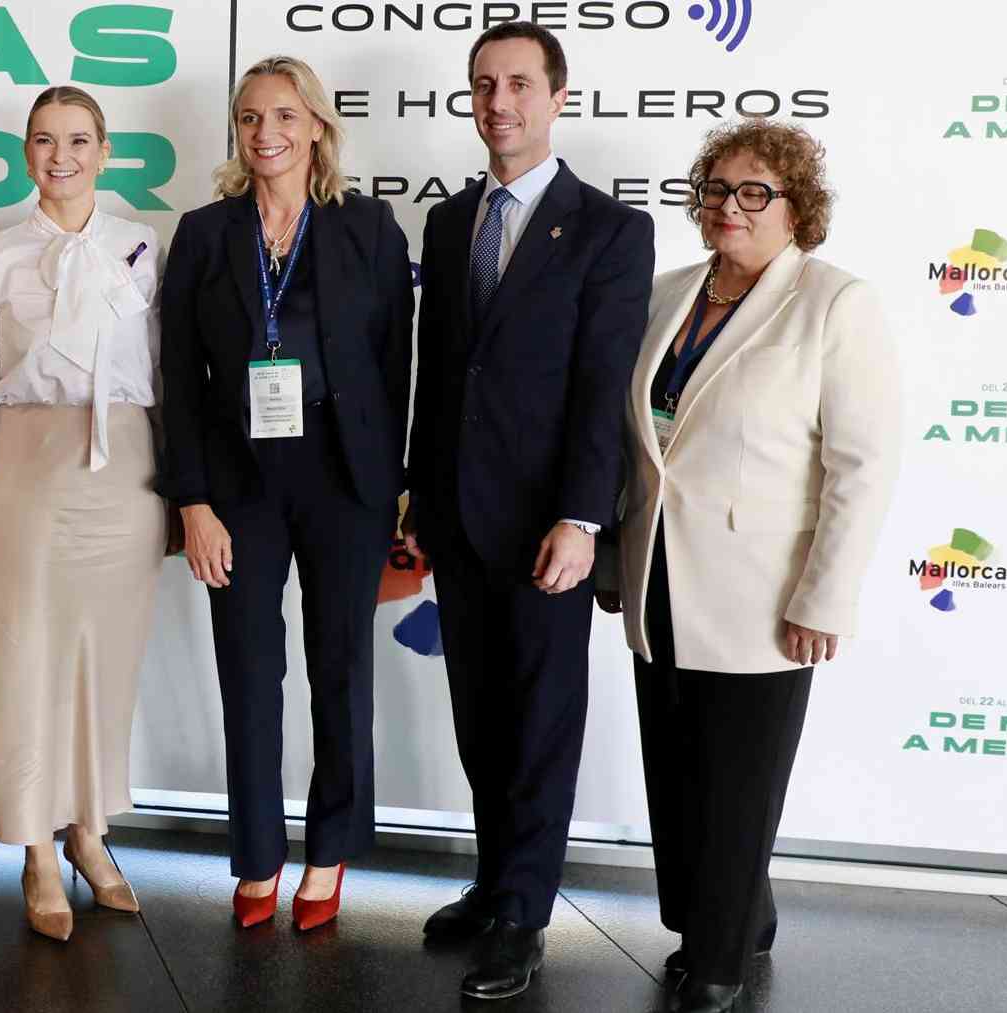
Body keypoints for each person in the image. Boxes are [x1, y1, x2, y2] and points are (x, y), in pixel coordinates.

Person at [598, 119, 900, 1013]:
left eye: (755, 191)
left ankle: (720, 958)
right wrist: (617, 555)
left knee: (739, 779)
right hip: (658, 576)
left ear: (797, 207)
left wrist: (827, 594)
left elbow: (861, 465)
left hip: (764, 592)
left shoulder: (835, 303)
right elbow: (639, 447)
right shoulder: (667, 293)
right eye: (717, 190)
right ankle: (728, 916)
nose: (730, 207)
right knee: (678, 771)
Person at [403, 21, 655, 1000]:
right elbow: (439, 373)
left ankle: (524, 914)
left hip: (549, 523)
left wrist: (583, 517)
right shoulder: (448, 219)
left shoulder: (608, 228)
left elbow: (604, 387)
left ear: (557, 97)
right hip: (458, 514)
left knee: (543, 717)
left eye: (517, 84)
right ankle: (492, 878)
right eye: (482, 84)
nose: (498, 101)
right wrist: (418, 493)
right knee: (481, 716)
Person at [159, 55, 413, 933]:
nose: (265, 133)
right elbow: (180, 380)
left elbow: (394, 372)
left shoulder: (370, 228)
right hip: (237, 488)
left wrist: (395, 494)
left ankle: (331, 848)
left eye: (283, 115)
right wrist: (191, 499)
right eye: (249, 118)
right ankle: (258, 852)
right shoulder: (203, 231)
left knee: (340, 671)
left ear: (315, 126)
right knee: (250, 672)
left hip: (345, 483)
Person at [0, 86, 165, 943]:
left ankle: (92, 833)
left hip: (127, 475)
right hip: (24, 473)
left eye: (79, 139)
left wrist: (180, 494)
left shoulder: (145, 243)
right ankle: (35, 851)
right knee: (24, 664)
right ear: (26, 154)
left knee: (108, 666)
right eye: (45, 141)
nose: (62, 156)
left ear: (104, 148)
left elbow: (171, 375)